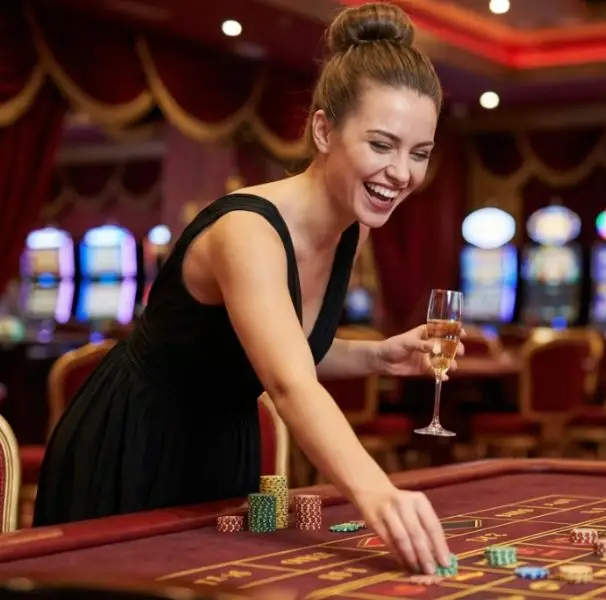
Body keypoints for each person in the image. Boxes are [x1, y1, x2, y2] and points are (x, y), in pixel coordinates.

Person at [33, 1, 459, 576]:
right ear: (324, 130)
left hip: (223, 442)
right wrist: (380, 494)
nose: (402, 172)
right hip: (137, 441)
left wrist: (379, 356)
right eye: (382, 145)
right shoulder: (247, 231)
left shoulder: (353, 228)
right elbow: (288, 384)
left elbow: (282, 348)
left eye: (419, 152)